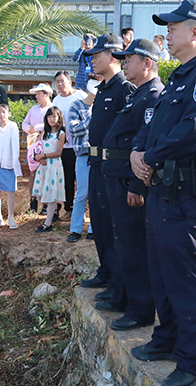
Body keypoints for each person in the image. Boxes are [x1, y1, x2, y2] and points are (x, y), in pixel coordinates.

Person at [129, 0, 196, 386]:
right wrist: (140, 153)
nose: (167, 34)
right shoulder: (178, 78)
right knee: (161, 271)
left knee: (186, 275)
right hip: (161, 189)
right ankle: (167, 339)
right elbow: (155, 126)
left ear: (195, 32)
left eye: (173, 27)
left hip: (186, 192)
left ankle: (194, 362)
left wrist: (148, 155)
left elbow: (193, 130)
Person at [103, 38, 164, 331]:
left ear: (147, 64)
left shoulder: (152, 97)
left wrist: (138, 186)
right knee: (123, 243)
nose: (124, 64)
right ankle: (126, 298)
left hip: (131, 179)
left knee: (135, 246)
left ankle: (140, 310)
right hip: (118, 176)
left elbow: (147, 143)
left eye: (129, 60)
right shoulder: (137, 95)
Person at [81, 33, 135, 314]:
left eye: (97, 55)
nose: (92, 60)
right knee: (100, 222)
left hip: (114, 166)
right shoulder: (102, 89)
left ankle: (118, 281)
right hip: (96, 164)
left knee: (115, 226)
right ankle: (106, 271)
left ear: (113, 57)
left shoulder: (124, 89)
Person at [66, 79, 99, 242]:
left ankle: (93, 228)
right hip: (83, 154)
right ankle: (76, 229)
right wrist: (92, 116)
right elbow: (72, 129)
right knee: (82, 193)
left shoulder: (103, 106)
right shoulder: (76, 106)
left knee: (96, 193)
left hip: (99, 155)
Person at [52, 71, 86, 219]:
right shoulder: (56, 100)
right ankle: (69, 208)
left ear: (70, 81)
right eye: (57, 81)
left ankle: (83, 210)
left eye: (62, 81)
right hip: (63, 146)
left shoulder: (80, 96)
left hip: (80, 144)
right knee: (67, 178)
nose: (60, 84)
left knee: (82, 179)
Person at [31, 106, 66, 233]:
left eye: (54, 116)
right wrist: (39, 158)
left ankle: (48, 223)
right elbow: (37, 148)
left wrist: (44, 156)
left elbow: (58, 152)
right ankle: (54, 210)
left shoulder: (61, 134)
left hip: (53, 166)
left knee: (50, 195)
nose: (51, 119)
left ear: (59, 118)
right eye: (49, 116)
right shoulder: (43, 134)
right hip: (44, 166)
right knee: (39, 193)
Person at [22, 82, 54, 211]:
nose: (37, 97)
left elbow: (52, 124)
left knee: (47, 175)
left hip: (48, 146)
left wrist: (36, 128)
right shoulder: (34, 109)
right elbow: (25, 123)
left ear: (47, 95)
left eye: (39, 94)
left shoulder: (53, 108)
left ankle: (46, 204)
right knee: (33, 174)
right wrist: (32, 129)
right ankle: (33, 203)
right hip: (34, 146)